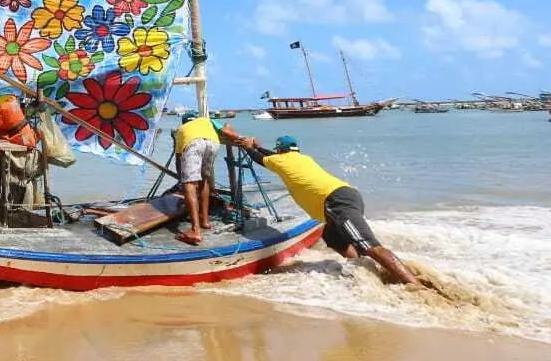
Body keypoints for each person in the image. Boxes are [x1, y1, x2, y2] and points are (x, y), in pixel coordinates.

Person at [236, 134, 417, 285]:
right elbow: (271, 157)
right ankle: (365, 272)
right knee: (331, 237)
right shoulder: (302, 158)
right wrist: (257, 147)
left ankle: (413, 285)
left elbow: (259, 158)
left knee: (369, 246)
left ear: (279, 151)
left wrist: (248, 147)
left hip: (336, 203)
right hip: (346, 195)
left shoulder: (279, 161)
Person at [172, 110, 242, 245]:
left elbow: (178, 157)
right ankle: (205, 221)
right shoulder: (206, 120)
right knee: (204, 180)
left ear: (184, 122)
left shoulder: (181, 130)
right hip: (213, 143)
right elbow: (226, 132)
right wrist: (243, 138)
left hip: (193, 144)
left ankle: (195, 231)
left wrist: (182, 179)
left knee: (189, 183)